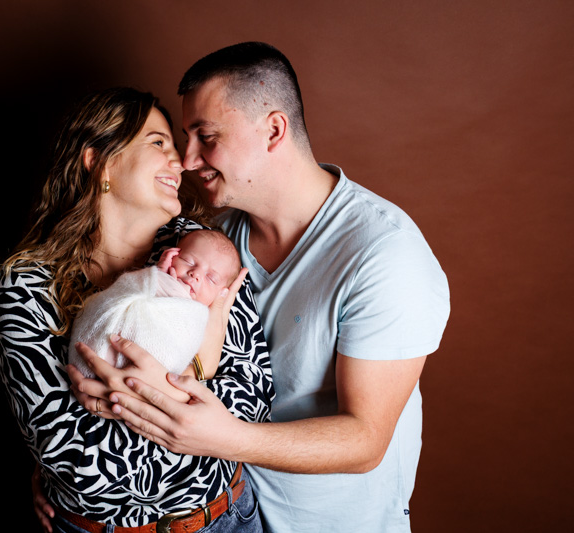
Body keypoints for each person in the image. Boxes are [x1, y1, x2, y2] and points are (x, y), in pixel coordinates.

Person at [72, 43, 451, 532]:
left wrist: (223, 438)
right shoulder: (213, 243)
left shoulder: (384, 254)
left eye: (205, 136)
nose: (187, 161)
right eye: (184, 138)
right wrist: (68, 480)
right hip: (230, 513)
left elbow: (366, 441)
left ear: (274, 130)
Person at [0, 86, 274, 532]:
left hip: (223, 520)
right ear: (99, 161)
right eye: (158, 143)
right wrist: (192, 399)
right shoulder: (28, 282)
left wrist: (127, 396)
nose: (180, 163)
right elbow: (79, 467)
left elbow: (252, 404)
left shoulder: (201, 251)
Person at [69, 228, 242, 380]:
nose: (195, 273)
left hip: (145, 377)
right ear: (171, 257)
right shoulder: (157, 276)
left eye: (211, 278)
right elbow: (124, 294)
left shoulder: (201, 318)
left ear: (222, 294)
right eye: (189, 261)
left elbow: (178, 350)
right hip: (93, 353)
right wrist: (158, 277)